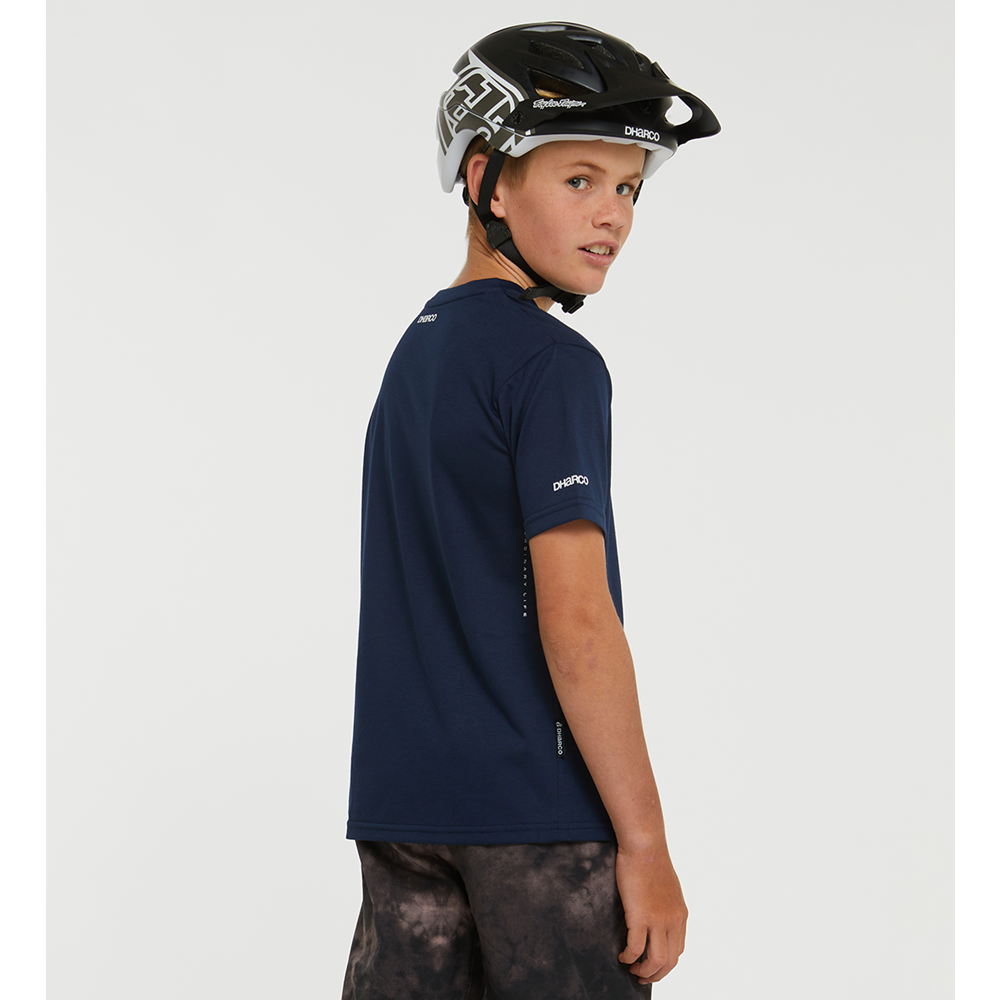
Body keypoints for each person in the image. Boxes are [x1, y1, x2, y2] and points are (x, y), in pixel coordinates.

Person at [343, 22, 720, 999]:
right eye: (579, 178)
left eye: (629, 188)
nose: (613, 215)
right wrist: (646, 845)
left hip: (403, 811)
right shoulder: (552, 365)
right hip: (534, 818)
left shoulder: (416, 353)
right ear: (488, 182)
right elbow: (579, 621)